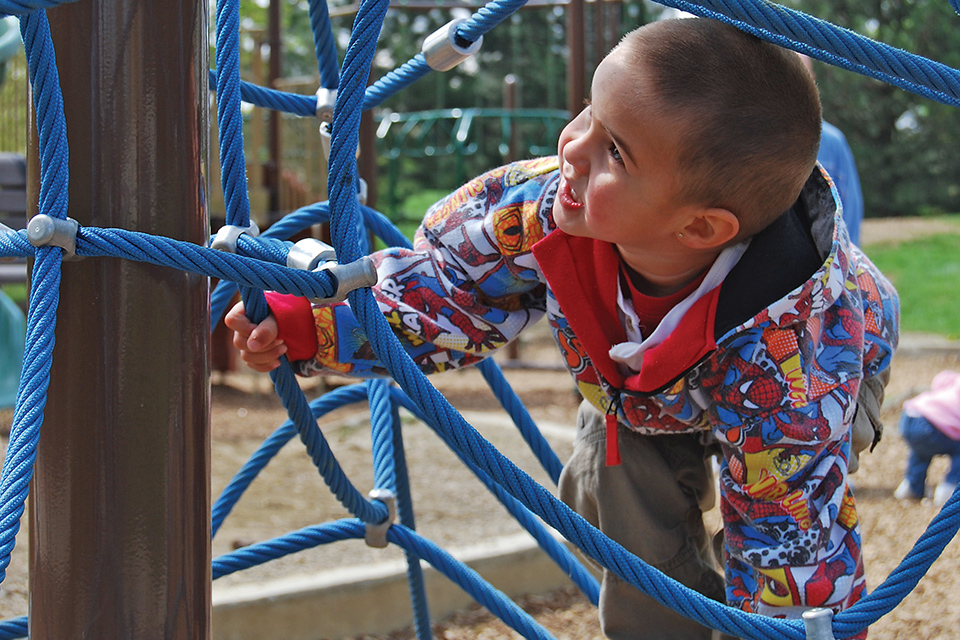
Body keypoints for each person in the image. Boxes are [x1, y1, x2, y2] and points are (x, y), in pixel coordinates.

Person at [226, 19, 899, 639]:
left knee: (777, 508)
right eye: (588, 111)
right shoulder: (545, 209)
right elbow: (447, 290)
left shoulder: (801, 366)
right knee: (609, 488)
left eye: (616, 151)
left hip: (815, 370)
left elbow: (794, 540)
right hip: (645, 393)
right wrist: (315, 324)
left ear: (699, 227)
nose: (573, 147)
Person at [799, 54, 865, 245]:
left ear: (812, 80)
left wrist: (848, 268)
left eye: (802, 76)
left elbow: (850, 210)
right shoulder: (755, 140)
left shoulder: (833, 142)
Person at [894, 370, 960, 506]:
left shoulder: (951, 385)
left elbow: (940, 380)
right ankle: (950, 489)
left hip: (910, 415)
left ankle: (912, 486)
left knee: (921, 452)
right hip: (930, 422)